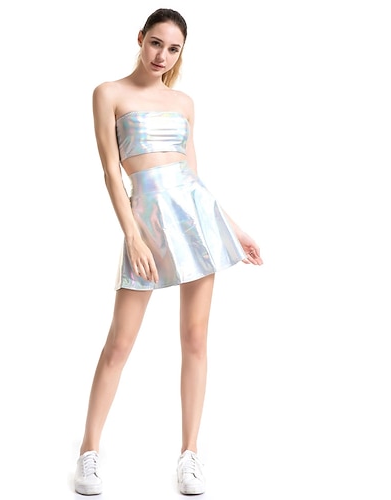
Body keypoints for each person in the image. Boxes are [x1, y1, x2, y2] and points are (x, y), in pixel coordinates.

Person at [74, 7, 263, 496]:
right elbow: (111, 171)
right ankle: (89, 452)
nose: (162, 55)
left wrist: (234, 229)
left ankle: (189, 454)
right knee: (119, 344)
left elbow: (192, 176)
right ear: (140, 38)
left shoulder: (184, 102)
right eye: (156, 43)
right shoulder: (109, 93)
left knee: (195, 340)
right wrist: (133, 235)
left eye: (173, 48)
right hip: (146, 223)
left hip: (197, 220)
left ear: (182, 53)